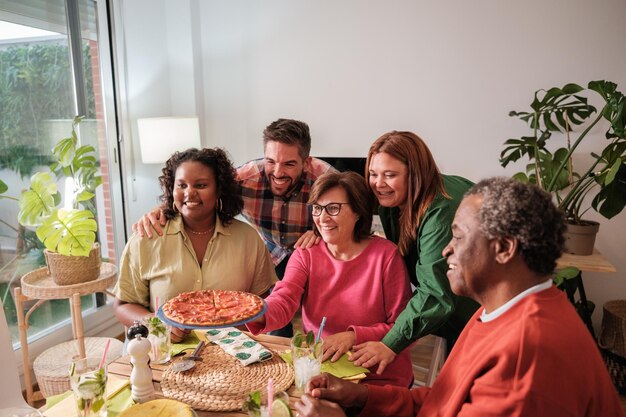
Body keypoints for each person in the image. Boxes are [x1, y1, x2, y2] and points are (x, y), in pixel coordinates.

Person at [293, 177, 624, 417]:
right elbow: (444, 401)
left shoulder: (528, 355)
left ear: (504, 249)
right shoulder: (494, 314)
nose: (447, 249)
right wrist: (362, 396)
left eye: (458, 236)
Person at [133, 118, 336, 337]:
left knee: (324, 319)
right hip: (271, 253)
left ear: (306, 162)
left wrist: (321, 231)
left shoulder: (327, 179)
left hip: (312, 251)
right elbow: (200, 189)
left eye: (289, 164)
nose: (277, 172)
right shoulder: (246, 177)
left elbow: (353, 214)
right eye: (271, 161)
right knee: (274, 322)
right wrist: (163, 208)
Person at [246, 171, 414, 387]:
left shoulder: (386, 256)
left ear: (358, 212)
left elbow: (404, 327)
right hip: (325, 372)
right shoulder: (306, 253)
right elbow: (285, 298)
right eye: (317, 208)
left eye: (333, 208)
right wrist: (254, 313)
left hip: (380, 375)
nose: (322, 218)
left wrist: (353, 337)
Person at [114, 148, 277, 342]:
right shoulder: (147, 237)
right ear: (171, 189)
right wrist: (157, 324)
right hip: (164, 354)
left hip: (232, 354)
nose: (189, 193)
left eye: (200, 185)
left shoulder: (248, 238)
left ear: (219, 189)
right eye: (181, 185)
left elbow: (262, 303)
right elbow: (122, 306)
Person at [350, 131, 479, 374]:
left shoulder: (440, 209)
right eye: (373, 174)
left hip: (478, 311)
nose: (378, 183)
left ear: (415, 174)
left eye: (390, 175)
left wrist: (390, 343)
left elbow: (435, 292)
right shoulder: (395, 199)